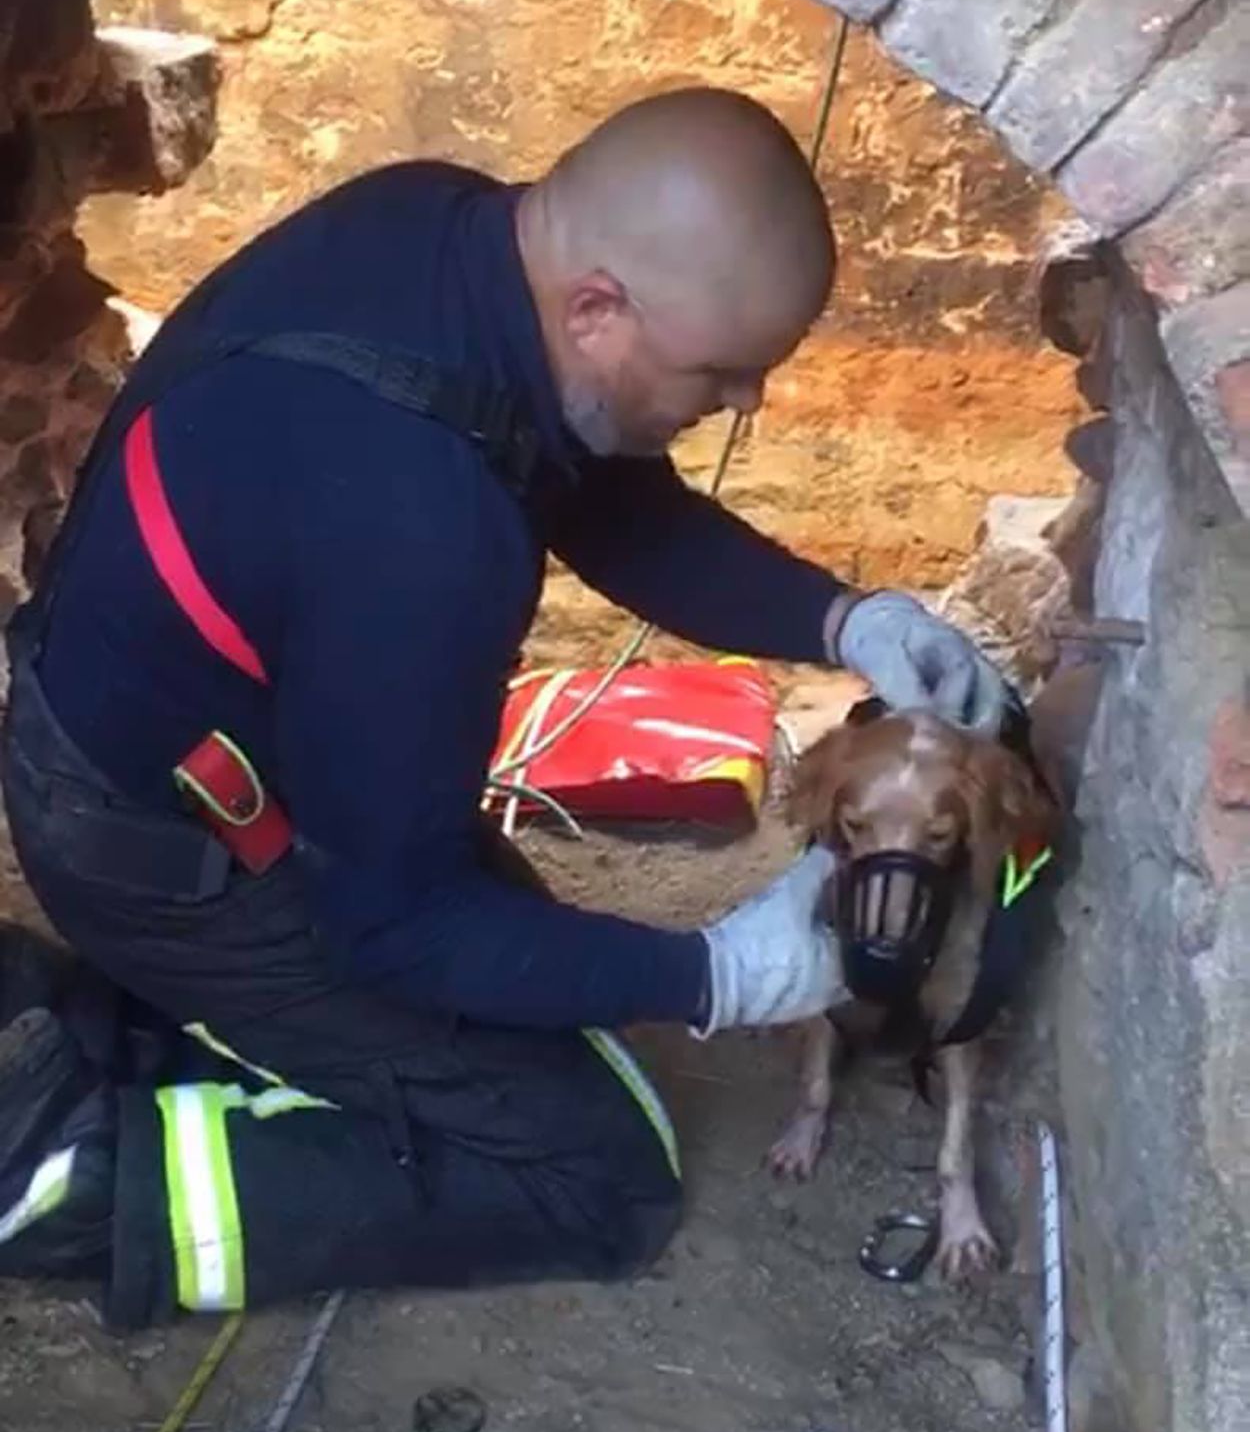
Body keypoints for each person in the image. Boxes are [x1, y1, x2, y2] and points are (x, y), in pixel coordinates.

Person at [0, 87, 1005, 1327]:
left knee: (530, 997)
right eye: (720, 372)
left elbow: (593, 485)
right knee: (597, 1167)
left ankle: (132, 1026)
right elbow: (395, 925)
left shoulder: (440, 231)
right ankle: (67, 1163)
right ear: (597, 308)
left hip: (174, 736)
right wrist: (709, 973)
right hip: (161, 850)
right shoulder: (419, 535)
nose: (741, 403)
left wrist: (839, 618)